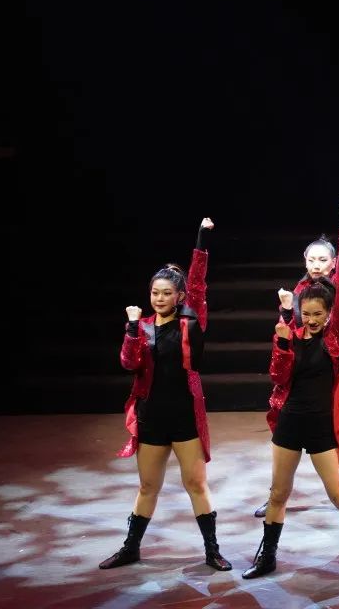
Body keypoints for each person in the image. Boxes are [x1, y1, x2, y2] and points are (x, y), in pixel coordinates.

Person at [242, 246, 339, 581]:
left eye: (317, 314)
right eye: (306, 313)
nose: (311, 319)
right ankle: (267, 557)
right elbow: (278, 377)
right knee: (278, 494)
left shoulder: (336, 337)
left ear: (328, 314)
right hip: (290, 425)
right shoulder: (290, 336)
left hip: (322, 427)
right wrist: (281, 344)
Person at [100, 218, 231, 572]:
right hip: (152, 417)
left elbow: (198, 282)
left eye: (166, 293)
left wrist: (201, 240)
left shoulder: (190, 321)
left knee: (195, 484)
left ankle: (212, 551)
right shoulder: (141, 327)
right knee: (147, 486)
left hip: (184, 415)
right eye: (155, 293)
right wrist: (131, 329)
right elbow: (129, 363)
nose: (159, 299)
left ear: (180, 297)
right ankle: (131, 548)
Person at [253, 198, 339, 519]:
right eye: (311, 259)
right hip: (304, 369)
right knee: (287, 436)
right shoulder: (300, 289)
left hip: (335, 369)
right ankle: (276, 496)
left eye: (323, 259)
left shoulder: (335, 288)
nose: (316, 264)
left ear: (333, 261)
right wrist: (287, 312)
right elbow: (291, 331)